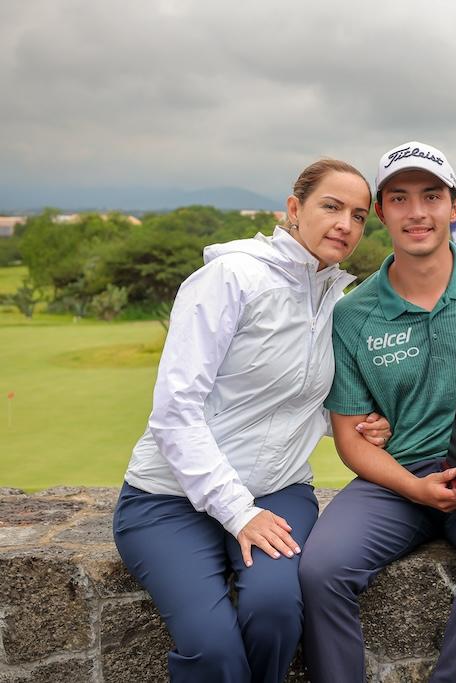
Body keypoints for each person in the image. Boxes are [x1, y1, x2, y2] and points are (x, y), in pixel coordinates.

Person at [112, 158, 392, 682]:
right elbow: (175, 412)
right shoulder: (230, 277)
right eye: (331, 207)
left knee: (275, 612)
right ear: (294, 208)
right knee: (212, 648)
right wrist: (238, 512)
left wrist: (354, 425)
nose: (345, 225)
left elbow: (293, 396)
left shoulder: (332, 296)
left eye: (358, 216)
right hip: (168, 500)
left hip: (277, 490)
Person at [298, 141, 456, 683]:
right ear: (380, 212)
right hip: (396, 479)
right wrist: (415, 488)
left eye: (431, 196)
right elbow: (350, 438)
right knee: (321, 568)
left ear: (455, 206)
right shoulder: (353, 313)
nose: (416, 212)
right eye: (399, 198)